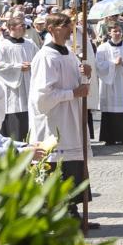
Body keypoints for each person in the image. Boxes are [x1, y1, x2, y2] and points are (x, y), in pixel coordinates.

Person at [30, 14, 91, 218]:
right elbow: (42, 97)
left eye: (70, 25)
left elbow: (79, 85)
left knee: (73, 165)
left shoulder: (70, 54)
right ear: (52, 29)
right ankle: (56, 212)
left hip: (71, 118)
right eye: (65, 25)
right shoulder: (45, 57)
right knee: (57, 165)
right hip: (54, 121)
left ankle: (72, 209)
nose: (69, 29)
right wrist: (73, 94)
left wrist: (86, 73)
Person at [91, 21, 123, 145]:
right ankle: (109, 137)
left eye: (119, 31)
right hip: (109, 85)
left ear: (122, 33)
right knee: (109, 110)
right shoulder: (102, 48)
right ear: (109, 33)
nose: (117, 33)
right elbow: (99, 65)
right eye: (114, 31)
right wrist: (112, 64)